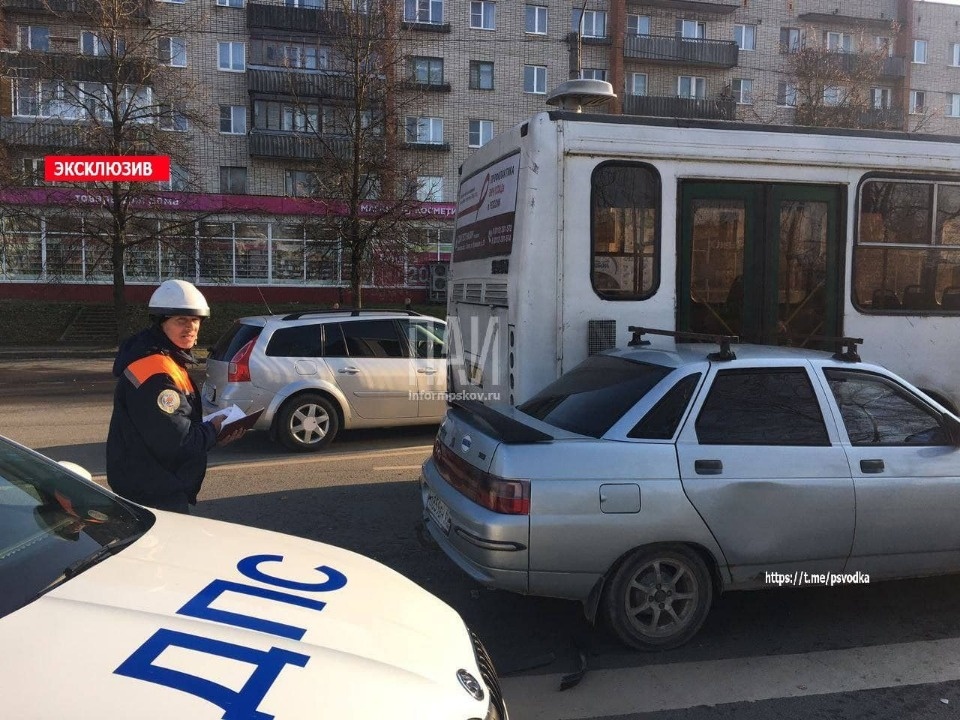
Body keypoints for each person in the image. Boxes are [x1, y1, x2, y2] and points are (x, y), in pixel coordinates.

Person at [106, 279, 241, 513]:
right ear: (161, 324)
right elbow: (178, 442)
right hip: (154, 493)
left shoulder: (167, 361)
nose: (190, 327)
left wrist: (214, 436)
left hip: (153, 484)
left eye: (195, 320)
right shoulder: (156, 372)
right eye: (181, 320)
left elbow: (172, 428)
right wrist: (214, 429)